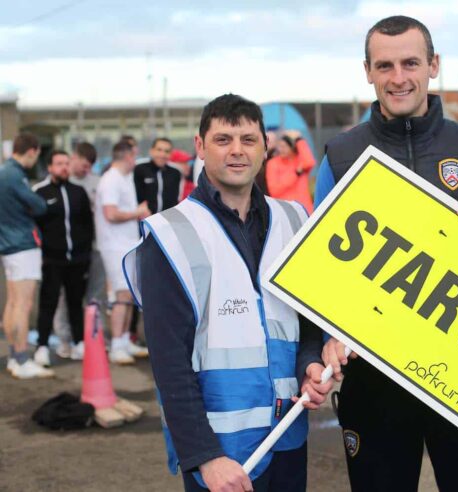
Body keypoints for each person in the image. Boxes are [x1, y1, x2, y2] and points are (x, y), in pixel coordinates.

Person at [316, 16, 458, 492]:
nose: (398, 77)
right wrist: (330, 336)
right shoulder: (340, 156)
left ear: (433, 65)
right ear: (367, 72)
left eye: (410, 63)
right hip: (375, 380)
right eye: (385, 65)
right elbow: (317, 264)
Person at [123, 94, 332, 492]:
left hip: (288, 436)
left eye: (249, 140)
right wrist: (204, 457)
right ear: (200, 146)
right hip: (221, 455)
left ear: (265, 147)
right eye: (223, 139)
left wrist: (308, 363)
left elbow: (305, 322)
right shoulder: (169, 235)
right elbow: (169, 362)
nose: (237, 151)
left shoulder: (294, 219)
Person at [32, 150, 94, 365]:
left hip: (77, 260)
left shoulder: (79, 192)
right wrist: (40, 254)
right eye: (59, 164)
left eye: (66, 163)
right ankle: (41, 346)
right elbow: (34, 227)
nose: (64, 167)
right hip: (51, 260)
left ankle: (79, 343)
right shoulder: (39, 192)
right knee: (48, 304)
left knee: (75, 302)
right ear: (49, 167)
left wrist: (84, 254)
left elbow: (88, 224)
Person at [0, 133, 54, 379]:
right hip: (22, 244)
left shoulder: (5, 172)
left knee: (13, 303)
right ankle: (22, 359)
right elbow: (39, 205)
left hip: (10, 245)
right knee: (23, 304)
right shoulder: (14, 174)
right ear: (32, 151)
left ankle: (14, 357)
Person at [94, 141, 150, 364]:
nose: (135, 160)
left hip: (126, 243)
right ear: (128, 156)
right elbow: (110, 213)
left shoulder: (123, 178)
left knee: (128, 294)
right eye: (135, 155)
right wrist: (137, 212)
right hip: (114, 245)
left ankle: (125, 340)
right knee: (122, 295)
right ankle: (117, 343)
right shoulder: (111, 180)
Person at [265, 131, 316, 213]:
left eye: (285, 146)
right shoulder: (273, 163)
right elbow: (274, 190)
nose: (281, 149)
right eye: (280, 146)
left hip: (305, 210)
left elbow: (310, 162)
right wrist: (295, 173)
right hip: (285, 211)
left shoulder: (299, 160)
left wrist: (299, 140)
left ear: (292, 147)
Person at [134, 137, 182, 214]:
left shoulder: (175, 172)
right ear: (151, 151)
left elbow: (176, 199)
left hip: (167, 221)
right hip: (143, 220)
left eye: (167, 151)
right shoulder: (139, 168)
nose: (162, 154)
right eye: (159, 150)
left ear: (170, 154)